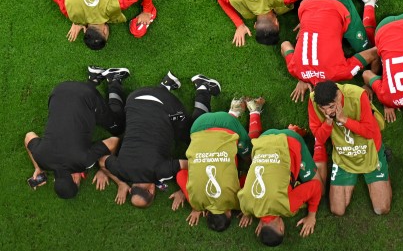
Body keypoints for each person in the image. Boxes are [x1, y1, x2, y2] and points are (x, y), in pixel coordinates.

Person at [96, 73, 222, 208]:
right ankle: (165, 85)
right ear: (131, 189)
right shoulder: (121, 170)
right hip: (134, 98)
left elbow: (194, 164)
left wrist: (184, 191)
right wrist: (119, 181)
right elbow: (102, 160)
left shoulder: (159, 172)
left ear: (151, 190)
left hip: (164, 103)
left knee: (194, 134)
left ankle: (204, 88)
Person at [24, 66, 130, 199]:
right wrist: (38, 167)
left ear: (74, 180)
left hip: (86, 97)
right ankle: (94, 78)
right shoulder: (41, 158)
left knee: (118, 126)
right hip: (58, 92)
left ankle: (114, 80)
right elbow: (29, 137)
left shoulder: (83, 161)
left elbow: (114, 141)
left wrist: (105, 169)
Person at [171, 97, 265, 232]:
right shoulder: (196, 201)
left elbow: (251, 179)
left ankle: (253, 110)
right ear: (207, 214)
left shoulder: (235, 201)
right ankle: (234, 111)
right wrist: (190, 198)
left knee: (254, 157)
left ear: (228, 214)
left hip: (226, 124)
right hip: (198, 125)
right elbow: (181, 174)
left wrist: (247, 211)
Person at [279, 0, 381, 103]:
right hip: (307, 3)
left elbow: (374, 52)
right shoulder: (295, 70)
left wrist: (370, 83)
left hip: (338, 2)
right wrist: (301, 77)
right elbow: (285, 45)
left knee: (367, 47)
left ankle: (369, 1)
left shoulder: (340, 72)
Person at [308, 81, 391, 216]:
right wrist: (328, 122)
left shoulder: (358, 95)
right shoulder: (313, 100)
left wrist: (344, 120)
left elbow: (369, 132)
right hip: (344, 153)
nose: (328, 112)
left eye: (331, 106)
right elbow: (320, 138)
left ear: (339, 96)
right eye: (323, 109)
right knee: (337, 210)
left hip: (368, 147)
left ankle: (382, 158)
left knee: (382, 208)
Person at [237, 126, 322, 246]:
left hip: (289, 140)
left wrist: (311, 216)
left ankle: (303, 135)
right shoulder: (245, 204)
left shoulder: (287, 206)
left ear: (282, 228)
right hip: (263, 138)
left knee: (321, 190)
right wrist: (252, 214)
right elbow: (245, 183)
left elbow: (316, 187)